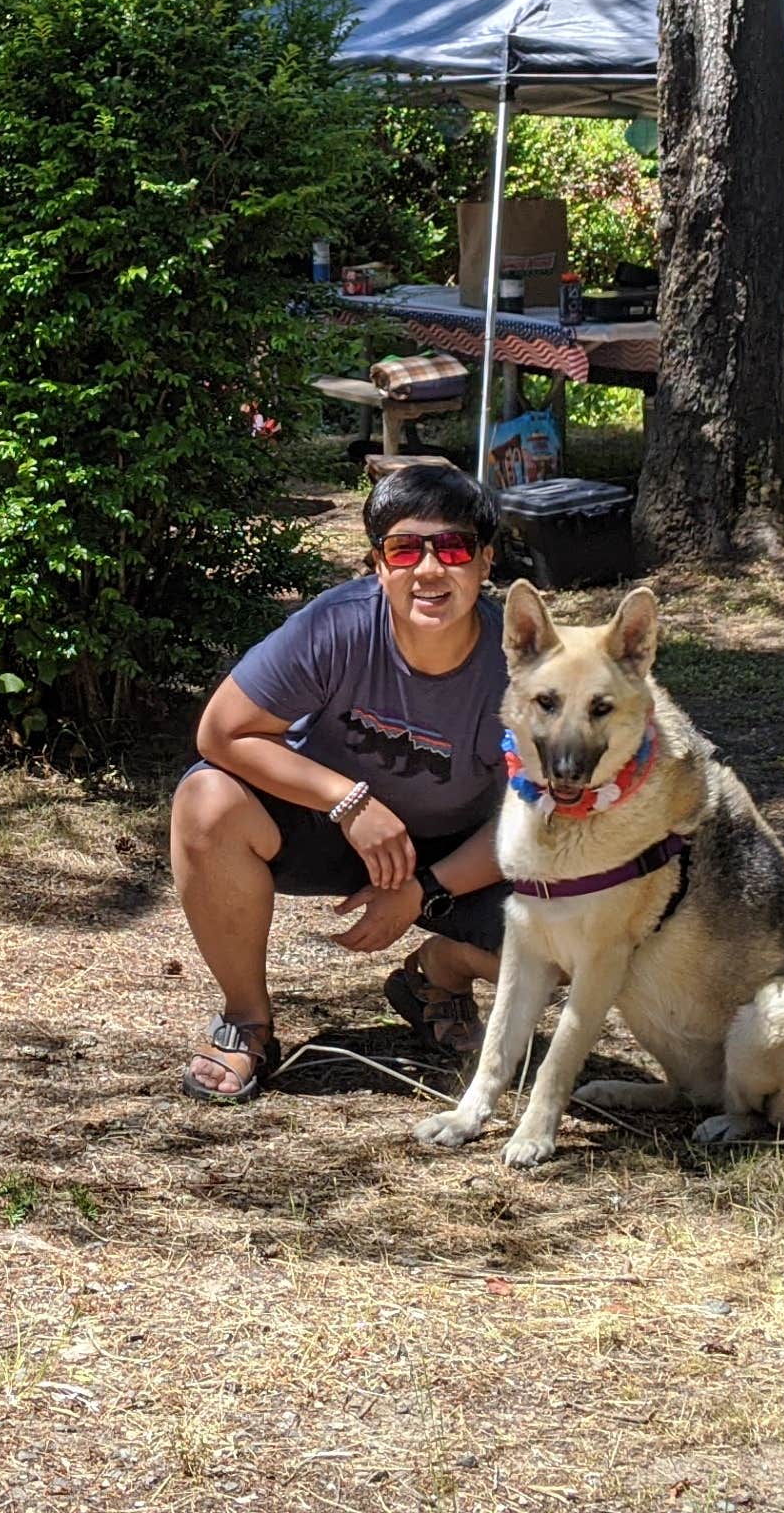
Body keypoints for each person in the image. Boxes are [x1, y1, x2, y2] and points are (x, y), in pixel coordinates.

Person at [171, 460, 514, 1101]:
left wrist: (423, 888)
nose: (430, 570)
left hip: (456, 852)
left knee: (588, 925)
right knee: (206, 798)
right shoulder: (336, 625)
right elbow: (222, 732)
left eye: (455, 548)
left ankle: (439, 972)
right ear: (378, 564)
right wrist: (348, 801)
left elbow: (538, 814)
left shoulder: (521, 659)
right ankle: (247, 1020)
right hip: (328, 828)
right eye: (405, 549)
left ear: (486, 560)